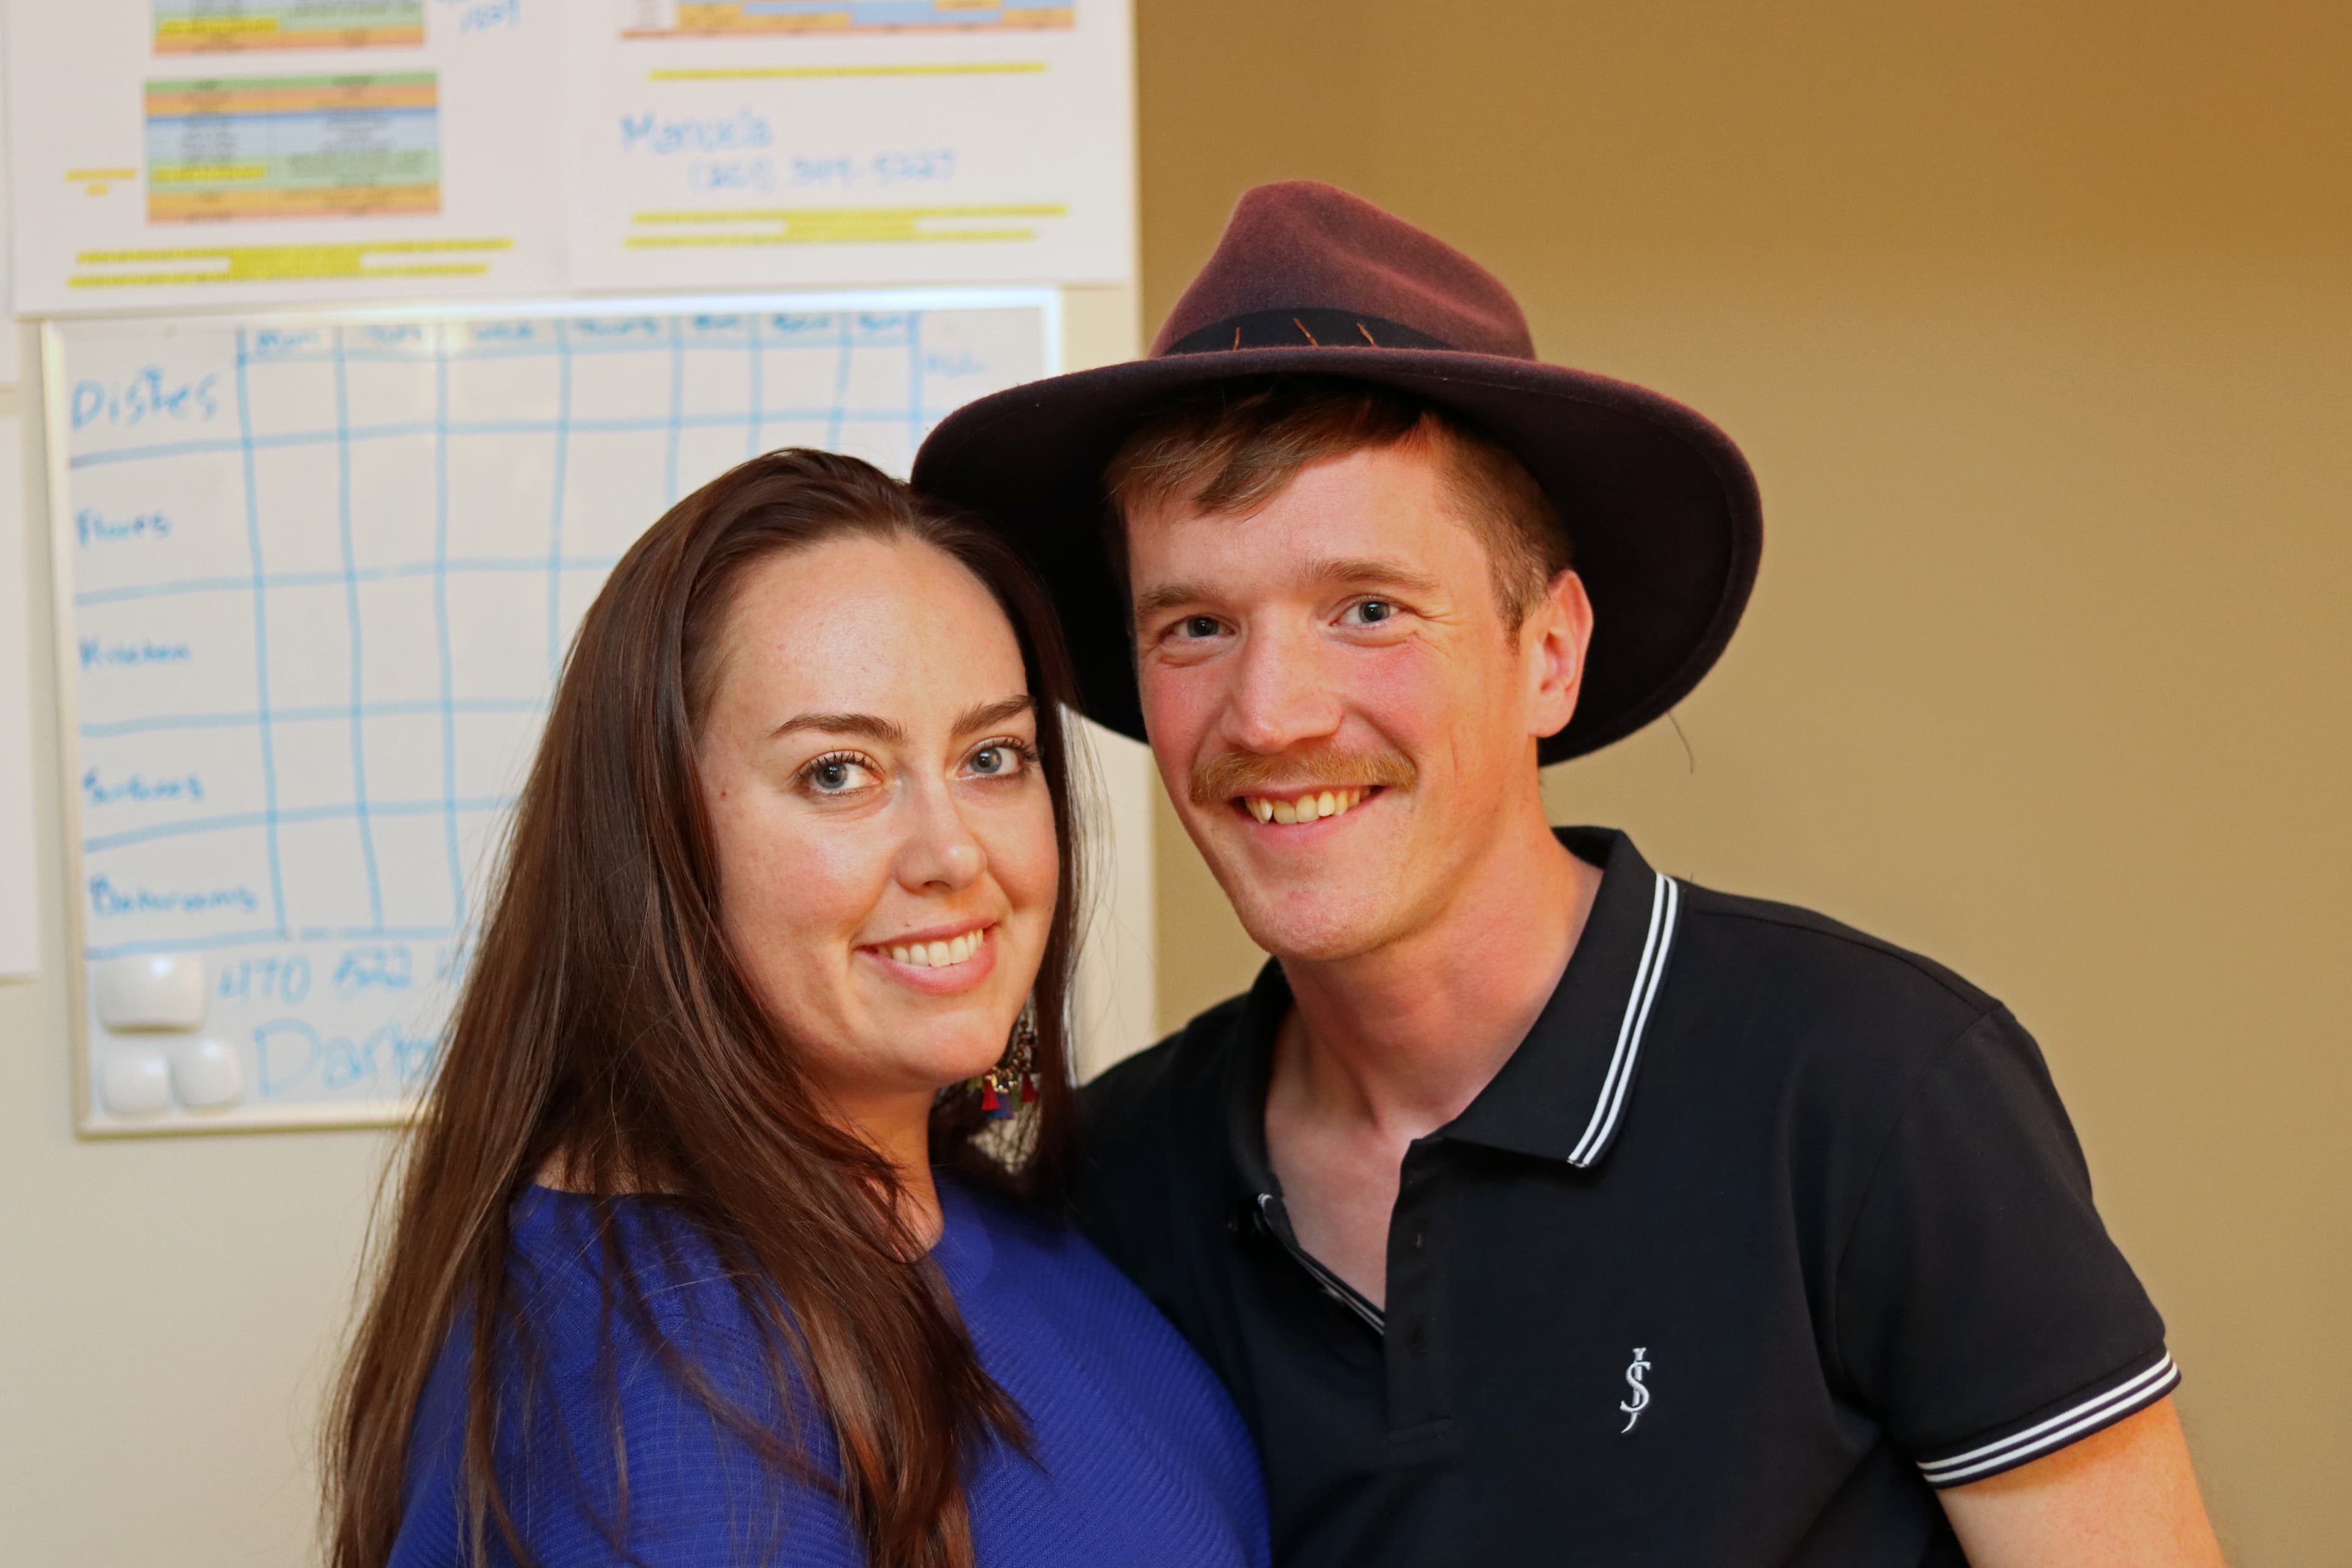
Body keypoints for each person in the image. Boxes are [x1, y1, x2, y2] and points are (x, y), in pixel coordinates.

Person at [913, 183, 2228, 1567]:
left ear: (1549, 649)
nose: (1270, 712)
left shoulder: (1872, 1091)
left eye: (1368, 608)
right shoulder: (1112, 1192)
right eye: (1195, 622)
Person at [324, 451, 1269, 1568]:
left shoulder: (985, 1210)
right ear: (663, 844)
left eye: (993, 755)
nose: (953, 850)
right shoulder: (659, 1425)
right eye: (839, 772)